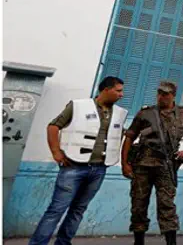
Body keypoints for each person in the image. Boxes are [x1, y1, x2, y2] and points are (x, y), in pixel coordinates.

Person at [29, 77, 128, 245]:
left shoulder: (120, 113)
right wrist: (56, 152)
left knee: (78, 210)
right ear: (106, 89)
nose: (121, 94)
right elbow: (53, 126)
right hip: (73, 167)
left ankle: (63, 242)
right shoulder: (78, 106)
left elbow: (118, 134)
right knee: (56, 209)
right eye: (118, 90)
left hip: (99, 169)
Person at [122, 81, 183, 245]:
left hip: (166, 167)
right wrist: (125, 163)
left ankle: (171, 242)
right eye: (159, 93)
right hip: (142, 166)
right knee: (138, 204)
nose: (161, 97)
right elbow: (129, 136)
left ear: (173, 95)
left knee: (167, 206)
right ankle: (139, 241)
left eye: (165, 94)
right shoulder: (146, 113)